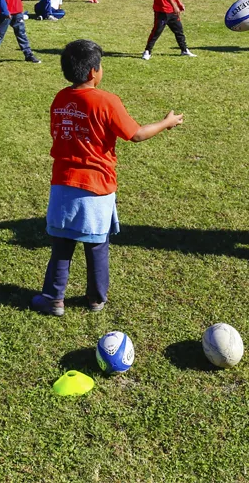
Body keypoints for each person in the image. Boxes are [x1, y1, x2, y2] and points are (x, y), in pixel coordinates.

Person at [30, 39, 184, 316]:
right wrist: (165, 123)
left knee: (62, 246)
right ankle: (96, 299)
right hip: (97, 186)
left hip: (63, 184)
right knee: (96, 245)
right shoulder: (107, 101)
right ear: (93, 72)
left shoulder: (60, 98)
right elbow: (135, 134)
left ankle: (53, 299)